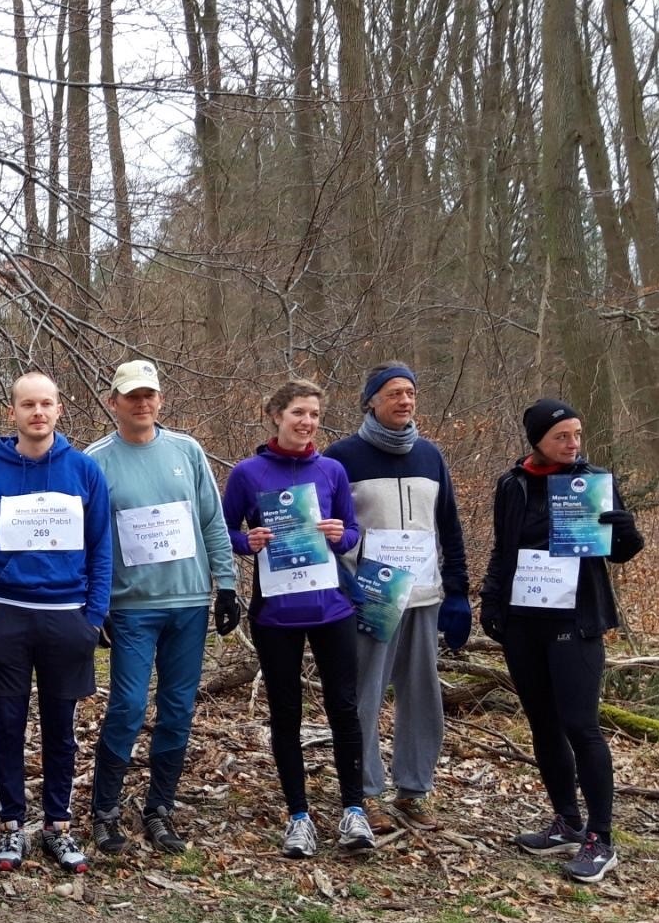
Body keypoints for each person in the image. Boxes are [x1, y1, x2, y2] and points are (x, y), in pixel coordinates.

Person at [482, 400, 643, 884]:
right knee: (544, 725)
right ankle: (566, 822)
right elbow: (501, 546)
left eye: (577, 435)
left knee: (581, 725)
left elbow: (618, 555)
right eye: (562, 437)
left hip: (576, 619)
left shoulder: (594, 481)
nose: (573, 444)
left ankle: (601, 837)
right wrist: (491, 602)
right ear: (538, 440)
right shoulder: (513, 485)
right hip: (523, 620)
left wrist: (627, 533)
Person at [0, 371, 111, 877]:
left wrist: (94, 616)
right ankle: (11, 825)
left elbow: (101, 549)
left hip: (67, 617)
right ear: (13, 413)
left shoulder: (84, 471)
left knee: (60, 729)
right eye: (28, 405)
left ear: (59, 409)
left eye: (46, 404)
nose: (37, 413)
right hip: (6, 614)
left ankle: (58, 825)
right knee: (6, 725)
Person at [83, 359, 238, 855]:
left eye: (149, 394)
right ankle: (105, 810)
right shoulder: (97, 460)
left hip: (189, 602)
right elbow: (90, 539)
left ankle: (160, 807)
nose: (142, 403)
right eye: (131, 396)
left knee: (177, 709)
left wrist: (228, 585)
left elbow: (212, 520)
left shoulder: (187, 452)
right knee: (127, 707)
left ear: (160, 400)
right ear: (114, 403)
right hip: (131, 607)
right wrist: (97, 601)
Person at [222, 379, 372, 859]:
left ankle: (354, 810)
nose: (307, 422)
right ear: (274, 415)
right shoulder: (248, 474)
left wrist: (337, 534)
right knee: (285, 714)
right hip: (276, 612)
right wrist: (250, 543)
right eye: (298, 413)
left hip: (332, 608)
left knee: (344, 708)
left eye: (313, 414)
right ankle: (299, 816)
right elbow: (223, 531)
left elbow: (351, 533)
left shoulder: (331, 470)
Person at [325, 363, 471, 832]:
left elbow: (448, 525)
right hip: (370, 594)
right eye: (393, 393)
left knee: (422, 694)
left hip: (426, 596)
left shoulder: (431, 456)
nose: (404, 401)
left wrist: (458, 591)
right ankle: (363, 792)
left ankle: (413, 790)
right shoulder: (343, 457)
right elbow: (327, 530)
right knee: (365, 693)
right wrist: (342, 585)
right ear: (371, 401)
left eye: (410, 392)